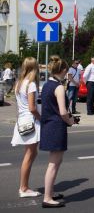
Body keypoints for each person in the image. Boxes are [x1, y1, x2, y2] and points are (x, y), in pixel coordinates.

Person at [40, 56, 79, 208]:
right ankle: (47, 198)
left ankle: (49, 192)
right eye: (66, 71)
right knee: (54, 164)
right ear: (63, 71)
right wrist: (70, 121)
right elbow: (63, 112)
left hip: (48, 125)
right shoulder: (59, 88)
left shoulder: (47, 84)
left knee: (54, 162)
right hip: (56, 126)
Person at [11, 57, 41, 198]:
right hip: (31, 121)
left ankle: (24, 186)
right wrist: (42, 119)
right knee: (29, 155)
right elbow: (32, 108)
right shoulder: (31, 84)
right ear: (35, 68)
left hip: (22, 120)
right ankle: (23, 188)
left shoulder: (19, 83)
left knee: (30, 154)